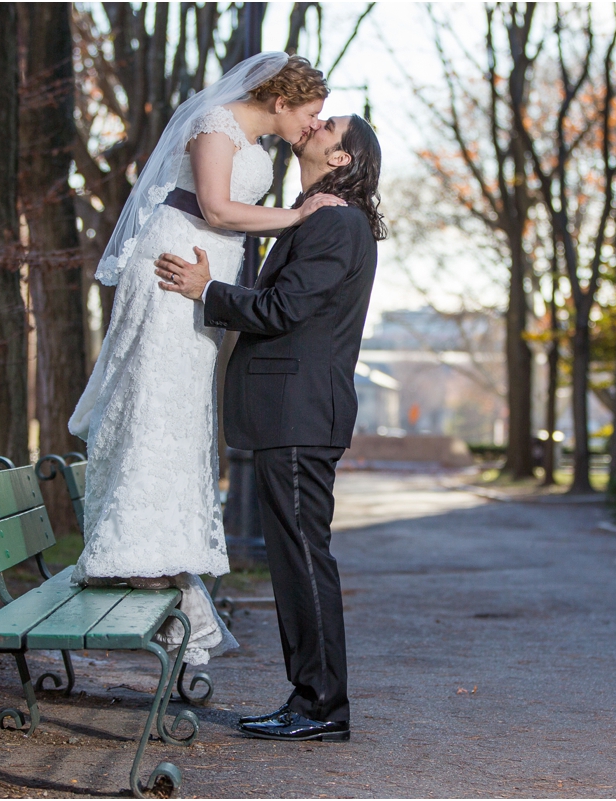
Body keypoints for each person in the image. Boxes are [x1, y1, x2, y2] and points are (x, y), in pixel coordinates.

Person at [66, 52, 345, 667]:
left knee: (182, 408)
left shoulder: (259, 143)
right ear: (280, 99)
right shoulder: (214, 124)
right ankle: (134, 550)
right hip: (176, 266)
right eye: (311, 112)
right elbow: (217, 210)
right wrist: (297, 217)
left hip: (208, 275)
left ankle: (164, 549)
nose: (312, 124)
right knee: (157, 399)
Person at [154, 113, 385, 741]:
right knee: (296, 560)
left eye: (329, 125)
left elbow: (282, 309)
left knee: (304, 561)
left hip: (300, 413)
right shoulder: (320, 217)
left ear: (341, 158)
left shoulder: (335, 222)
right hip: (294, 413)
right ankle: (311, 699)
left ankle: (320, 708)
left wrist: (208, 290)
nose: (315, 123)